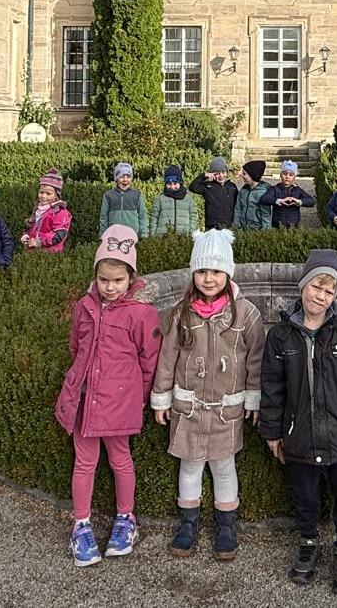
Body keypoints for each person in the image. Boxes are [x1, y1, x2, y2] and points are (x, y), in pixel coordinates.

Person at [259, 249, 337, 595]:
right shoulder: (281, 336)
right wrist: (272, 432)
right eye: (317, 286)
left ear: (336, 296)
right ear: (304, 286)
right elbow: (272, 389)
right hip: (299, 435)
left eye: (329, 291)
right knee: (305, 496)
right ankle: (309, 541)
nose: (321, 296)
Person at [150, 230, 265, 560]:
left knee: (224, 468)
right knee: (190, 468)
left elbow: (255, 359)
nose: (209, 278)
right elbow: (167, 358)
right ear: (193, 273)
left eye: (216, 271)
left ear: (227, 273)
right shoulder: (180, 313)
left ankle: (226, 526)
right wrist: (162, 397)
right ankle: (188, 524)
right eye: (202, 271)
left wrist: (253, 398)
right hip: (189, 408)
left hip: (226, 411)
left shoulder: (246, 314)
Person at [54, 225, 162, 566]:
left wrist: (138, 397)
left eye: (118, 280)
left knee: (120, 459)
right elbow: (76, 345)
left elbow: (150, 360)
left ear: (131, 276)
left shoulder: (142, 313)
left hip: (119, 401)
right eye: (104, 279)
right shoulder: (85, 306)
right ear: (96, 276)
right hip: (85, 400)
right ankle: (81, 524)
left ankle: (125, 518)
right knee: (84, 462)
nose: (110, 287)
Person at [21, 169, 72, 254]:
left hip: (49, 254)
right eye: (41, 192)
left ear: (56, 195)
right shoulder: (38, 208)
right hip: (31, 252)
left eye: (48, 194)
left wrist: (38, 241)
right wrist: (26, 235)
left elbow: (58, 235)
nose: (43, 196)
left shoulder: (60, 213)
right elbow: (31, 225)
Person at [259, 160, 315, 228]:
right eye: (285, 173)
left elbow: (311, 201)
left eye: (291, 175)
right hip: (277, 225)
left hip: (294, 225)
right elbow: (264, 199)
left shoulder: (297, 190)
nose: (287, 176)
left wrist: (299, 201)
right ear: (280, 175)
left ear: (294, 177)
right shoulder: (274, 189)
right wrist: (278, 201)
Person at [188, 157, 238, 230]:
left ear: (227, 172)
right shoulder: (208, 186)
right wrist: (204, 175)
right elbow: (192, 187)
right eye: (217, 173)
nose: (221, 176)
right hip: (212, 226)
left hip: (229, 225)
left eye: (223, 172)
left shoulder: (232, 187)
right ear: (212, 174)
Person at [99, 162, 147, 238]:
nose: (125, 179)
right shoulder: (108, 195)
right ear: (116, 178)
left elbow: (142, 216)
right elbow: (104, 217)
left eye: (128, 176)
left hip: (132, 234)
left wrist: (144, 234)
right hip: (114, 234)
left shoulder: (137, 195)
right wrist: (102, 235)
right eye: (122, 176)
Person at [149, 164, 197, 237]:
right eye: (169, 184)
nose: (172, 186)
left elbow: (193, 217)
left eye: (175, 183)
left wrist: (191, 234)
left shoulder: (188, 199)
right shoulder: (159, 199)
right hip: (162, 238)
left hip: (183, 237)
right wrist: (153, 236)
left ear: (180, 183)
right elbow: (154, 218)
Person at [232, 161, 274, 230]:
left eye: (244, 174)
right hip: (243, 229)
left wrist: (265, 233)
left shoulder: (263, 192)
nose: (242, 176)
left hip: (256, 230)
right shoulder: (243, 190)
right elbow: (238, 209)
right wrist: (237, 227)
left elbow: (266, 215)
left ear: (253, 175)